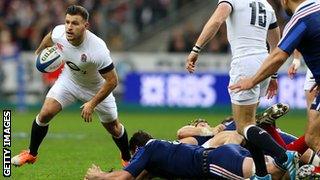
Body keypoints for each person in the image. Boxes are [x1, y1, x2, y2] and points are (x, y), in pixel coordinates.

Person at [185, 1, 298, 179]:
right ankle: (262, 174)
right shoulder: (266, 6)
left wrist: (196, 49)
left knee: (243, 126)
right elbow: (276, 41)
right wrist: (273, 73)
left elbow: (216, 20)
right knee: (250, 124)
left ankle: (284, 156)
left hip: (245, 63)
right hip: (264, 62)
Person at [11, 5, 131, 167]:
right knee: (45, 113)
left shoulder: (97, 48)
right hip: (70, 80)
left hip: (96, 88)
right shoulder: (60, 32)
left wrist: (92, 103)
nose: (69, 27)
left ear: (85, 26)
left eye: (75, 23)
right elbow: (49, 37)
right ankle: (31, 154)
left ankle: (127, 159)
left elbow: (112, 81)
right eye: (67, 22)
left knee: (114, 128)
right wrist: (39, 50)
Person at [229, 0, 320, 169]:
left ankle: (285, 158)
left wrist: (252, 80)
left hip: (247, 61)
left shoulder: (300, 19)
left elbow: (278, 55)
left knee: (314, 138)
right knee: (312, 136)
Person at [84, 131, 289, 180]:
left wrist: (99, 175)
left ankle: (282, 151)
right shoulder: (159, 153)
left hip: (216, 162)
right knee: (277, 173)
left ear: (136, 150)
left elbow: (126, 177)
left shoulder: (149, 149)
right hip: (222, 153)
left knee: (274, 172)